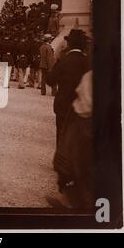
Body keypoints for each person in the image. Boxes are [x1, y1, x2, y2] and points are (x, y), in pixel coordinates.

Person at [46, 29, 89, 175]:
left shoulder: (64, 59)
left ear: (69, 44)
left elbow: (50, 80)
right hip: (82, 104)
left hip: (63, 103)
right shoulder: (87, 61)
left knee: (61, 132)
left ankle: (62, 163)